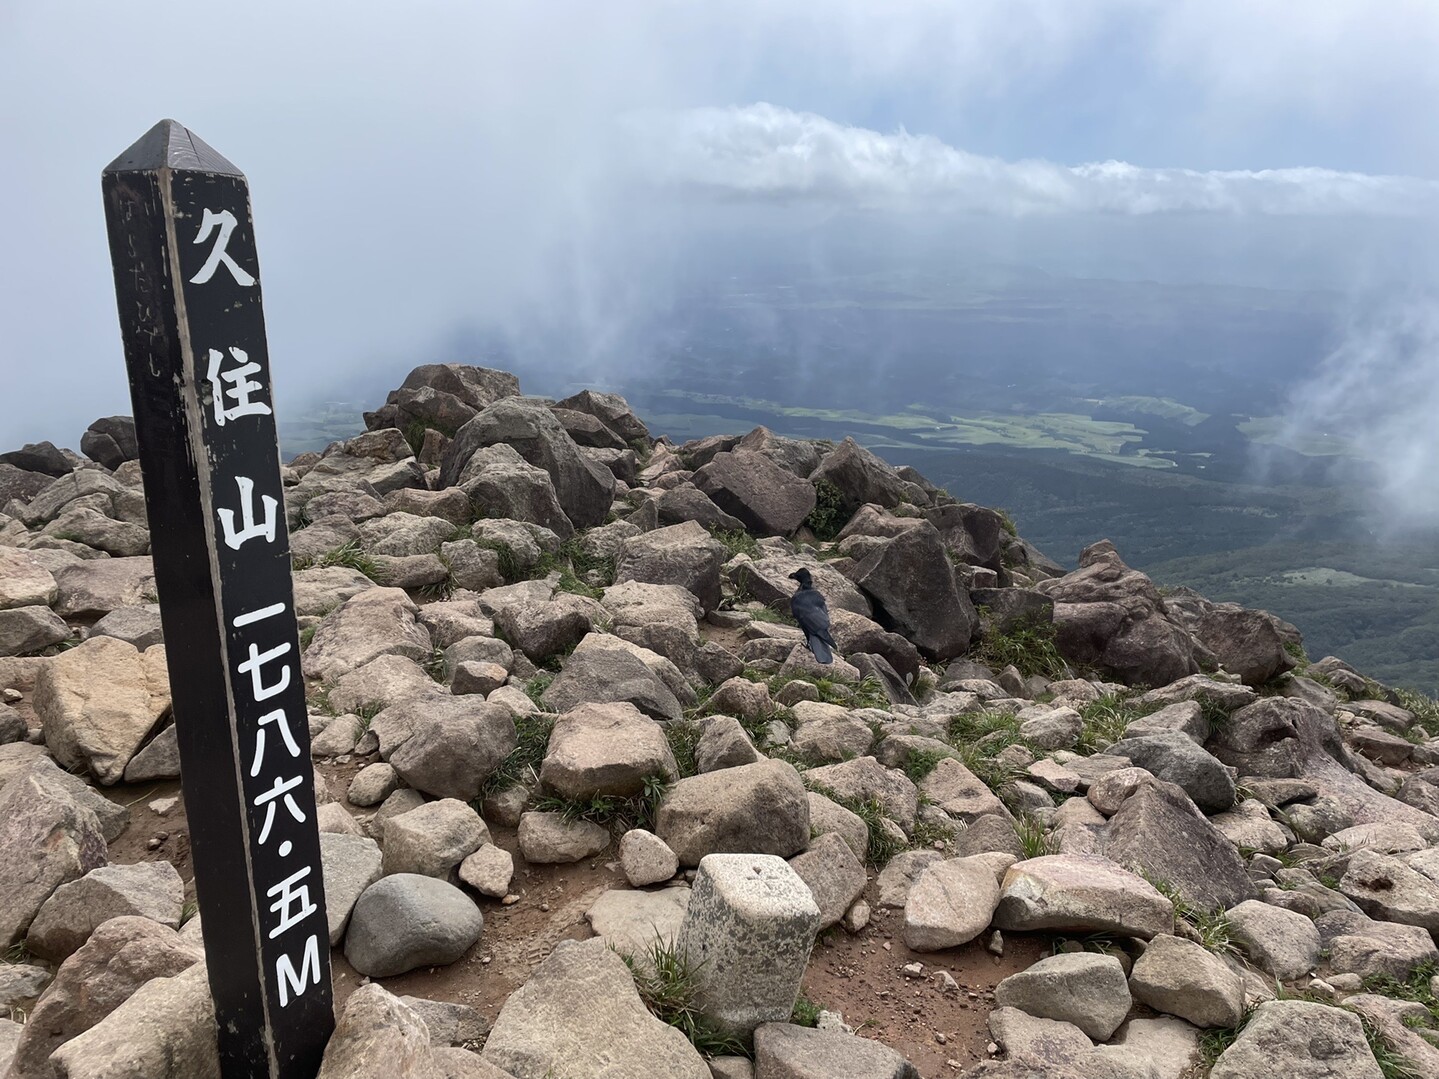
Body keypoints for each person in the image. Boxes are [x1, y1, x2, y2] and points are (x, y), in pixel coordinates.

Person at [788, 567, 836, 663]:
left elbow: (806, 621)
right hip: (821, 624)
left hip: (812, 627)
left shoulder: (797, 599)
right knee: (817, 633)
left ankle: (812, 647)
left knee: (813, 632)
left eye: (797, 576)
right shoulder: (817, 595)